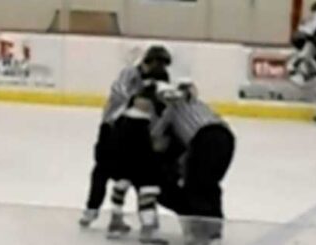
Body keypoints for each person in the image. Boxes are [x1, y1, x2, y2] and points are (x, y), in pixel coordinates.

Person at [79, 45, 172, 227]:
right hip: (112, 126)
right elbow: (119, 90)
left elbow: (162, 104)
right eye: (158, 63)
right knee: (103, 170)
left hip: (137, 130)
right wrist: (138, 96)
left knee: (135, 173)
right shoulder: (130, 73)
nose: (161, 67)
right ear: (148, 61)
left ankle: (133, 215)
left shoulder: (159, 79)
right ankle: (92, 209)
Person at [152, 81, 236, 245]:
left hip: (203, 139)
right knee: (209, 183)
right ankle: (213, 230)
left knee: (197, 186)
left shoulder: (171, 109)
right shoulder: (202, 106)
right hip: (226, 137)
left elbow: (156, 140)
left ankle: (200, 230)